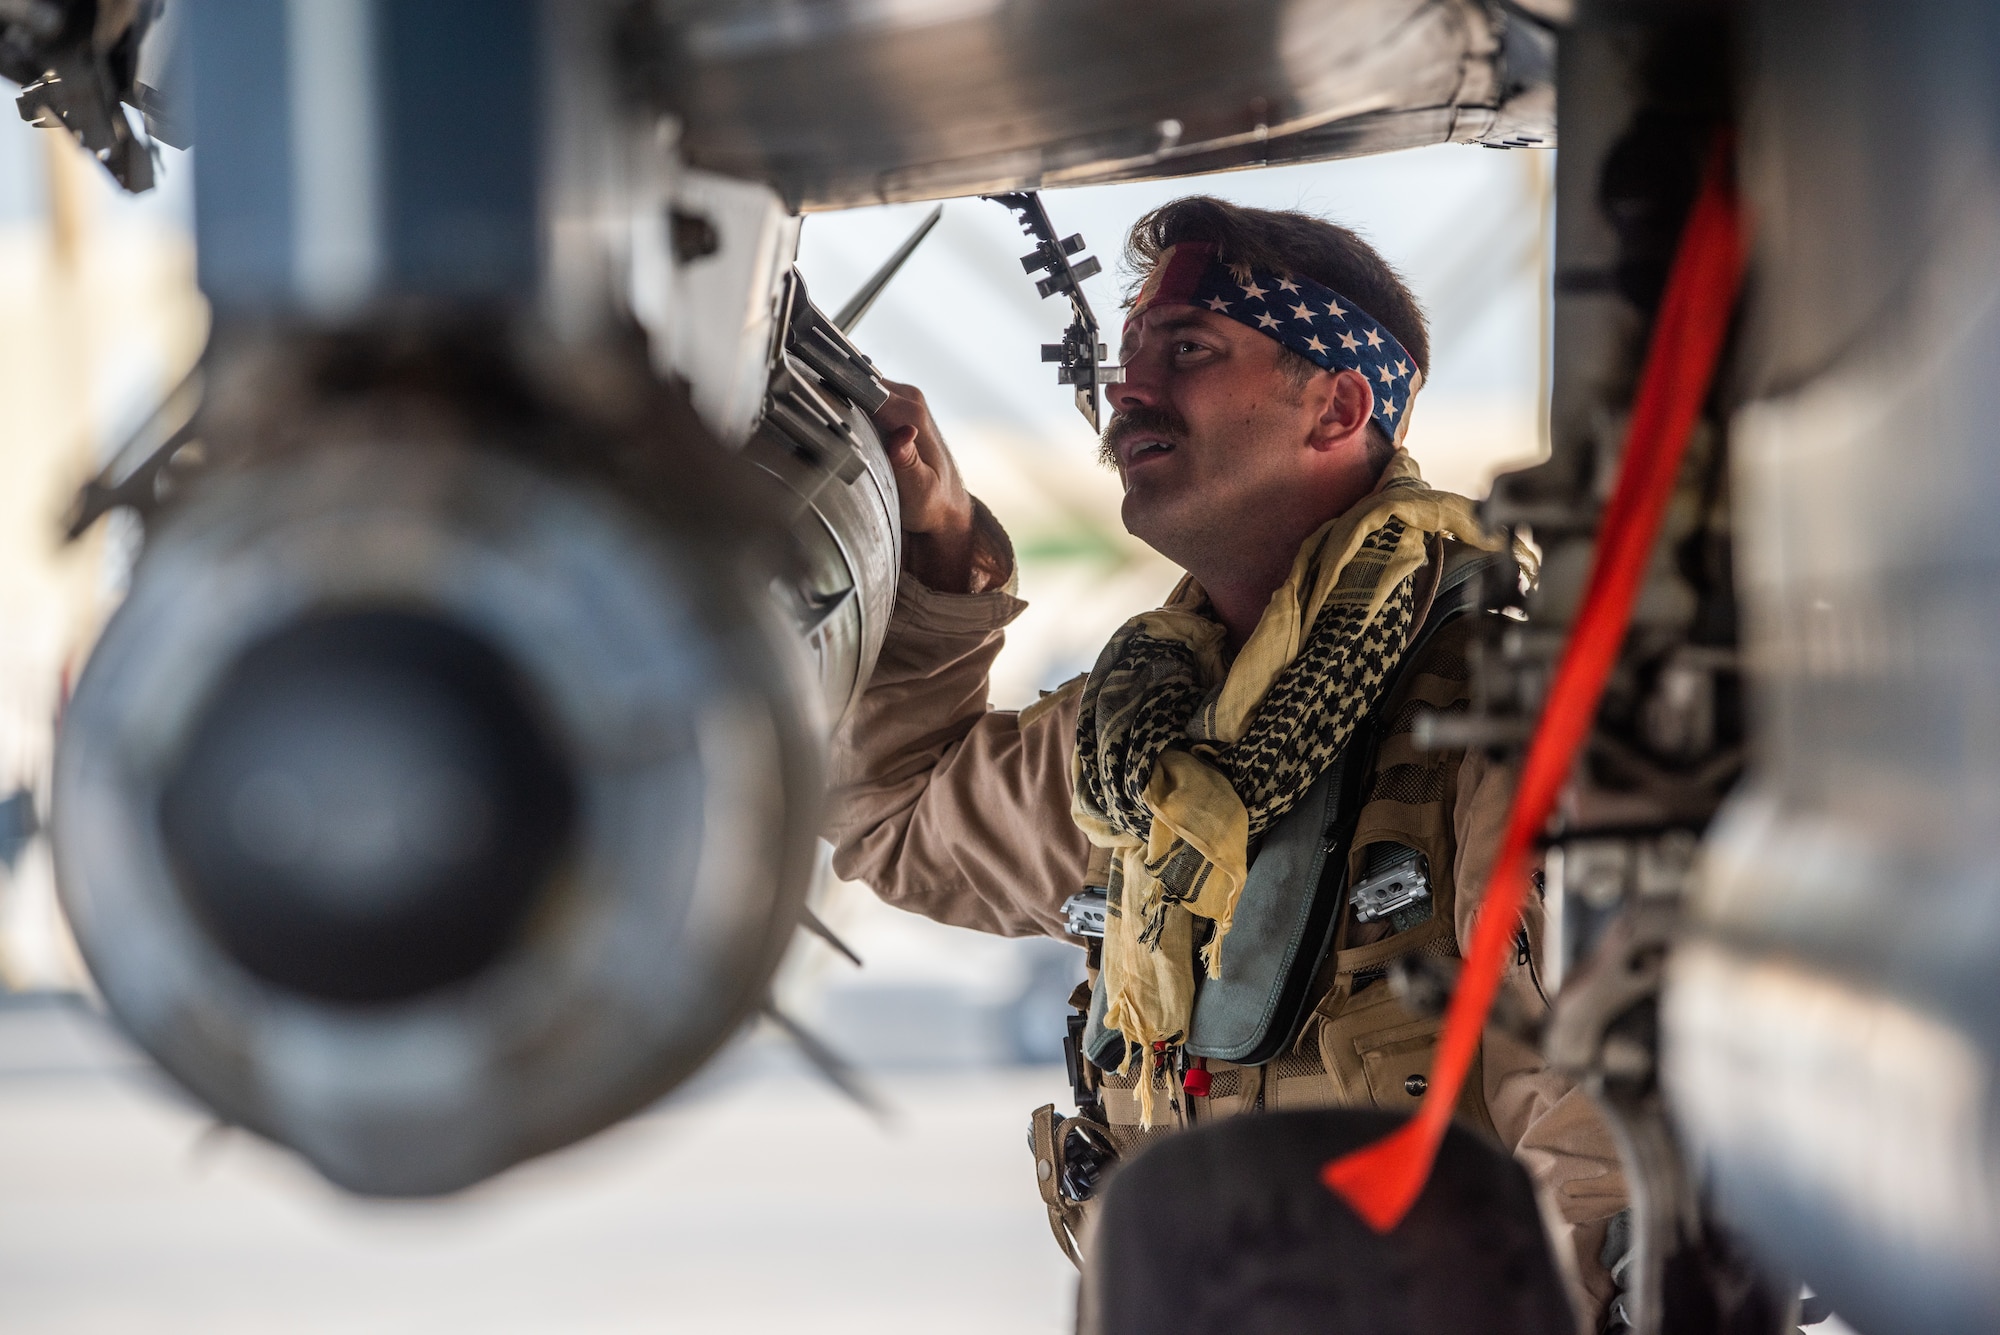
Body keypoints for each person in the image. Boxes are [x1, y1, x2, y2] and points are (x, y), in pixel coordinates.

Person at [824, 196, 1628, 1323]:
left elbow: (1604, 1163)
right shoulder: (1139, 743)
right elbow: (896, 816)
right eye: (1128, 352)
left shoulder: (1502, 725)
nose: (1126, 388)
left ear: (1336, 407)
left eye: (1188, 349)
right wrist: (942, 551)